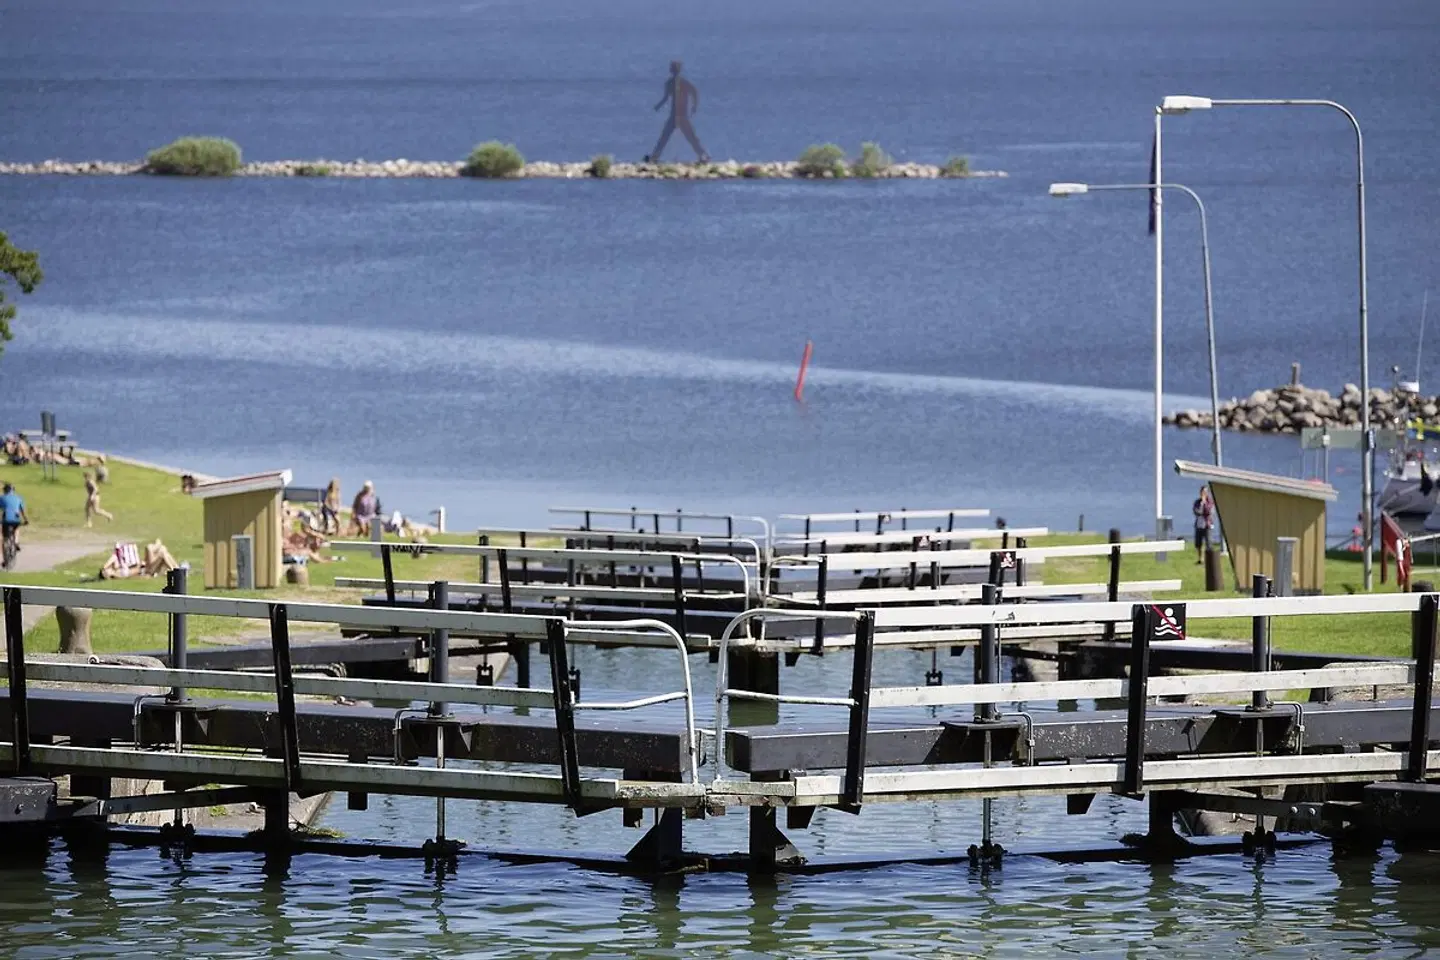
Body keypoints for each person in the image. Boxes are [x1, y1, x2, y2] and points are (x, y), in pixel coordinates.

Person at [643, 60, 709, 163]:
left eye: (673, 68)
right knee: (665, 136)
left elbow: (694, 92)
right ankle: (654, 157)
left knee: (690, 137)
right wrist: (658, 106)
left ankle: (703, 156)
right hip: (674, 115)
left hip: (682, 116)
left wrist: (694, 106)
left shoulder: (683, 83)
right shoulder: (669, 83)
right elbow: (666, 98)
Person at [1, 482, 29, 555]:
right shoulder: (19, 498)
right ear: (13, 490)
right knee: (16, 528)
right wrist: (26, 520)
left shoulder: (2, 498)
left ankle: (4, 556)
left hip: (5, 520)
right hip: (16, 519)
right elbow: (22, 511)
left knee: (4, 535)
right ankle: (16, 541)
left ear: (4, 490)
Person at [1192, 485, 1214, 564]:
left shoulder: (1210, 502)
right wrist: (1201, 504)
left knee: (1209, 543)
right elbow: (1196, 512)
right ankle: (1200, 559)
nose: (1203, 493)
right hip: (1199, 525)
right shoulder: (1197, 502)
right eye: (1202, 492)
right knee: (1198, 543)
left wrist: (1204, 504)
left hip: (1207, 525)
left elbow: (1208, 512)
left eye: (1205, 492)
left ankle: (1209, 560)